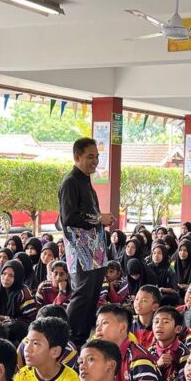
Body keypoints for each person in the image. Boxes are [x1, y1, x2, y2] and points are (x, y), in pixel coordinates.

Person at [58, 137, 115, 346]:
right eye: (90, 156)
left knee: (92, 295)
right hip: (81, 252)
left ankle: (81, 340)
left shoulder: (85, 181)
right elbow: (69, 218)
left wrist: (100, 220)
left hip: (94, 251)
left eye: (97, 156)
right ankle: (69, 342)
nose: (95, 161)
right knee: (82, 295)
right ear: (77, 157)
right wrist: (99, 218)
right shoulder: (70, 182)